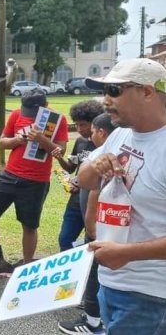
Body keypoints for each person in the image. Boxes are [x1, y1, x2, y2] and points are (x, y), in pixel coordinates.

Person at [77, 58, 166, 334]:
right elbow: (83, 180)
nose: (105, 101)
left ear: (148, 92)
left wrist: (127, 254)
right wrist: (95, 165)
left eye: (114, 91)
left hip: (151, 295)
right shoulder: (120, 135)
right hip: (112, 283)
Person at [0, 88, 68, 269]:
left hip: (36, 181)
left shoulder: (58, 120)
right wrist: (17, 140)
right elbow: (2, 141)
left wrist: (41, 139)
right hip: (10, 174)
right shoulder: (16, 115)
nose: (29, 116)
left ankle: (27, 265)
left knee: (29, 225)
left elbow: (61, 152)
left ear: (45, 106)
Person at [57, 112, 114, 335]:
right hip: (92, 221)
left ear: (102, 132)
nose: (87, 134)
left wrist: (91, 230)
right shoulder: (96, 149)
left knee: (95, 272)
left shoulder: (104, 154)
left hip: (98, 228)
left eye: (90, 130)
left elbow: (94, 191)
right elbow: (78, 176)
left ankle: (92, 322)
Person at [52, 100, 104, 251]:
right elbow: (70, 167)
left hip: (95, 202)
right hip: (75, 201)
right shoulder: (80, 142)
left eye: (83, 125)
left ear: (94, 124)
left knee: (93, 239)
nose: (79, 129)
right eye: (77, 124)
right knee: (65, 239)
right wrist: (59, 158)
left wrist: (81, 182)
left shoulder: (104, 144)